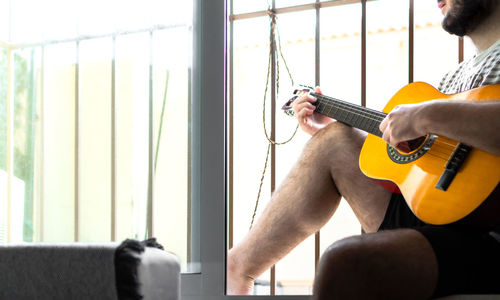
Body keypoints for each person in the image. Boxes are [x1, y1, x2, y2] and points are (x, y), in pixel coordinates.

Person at [227, 0, 500, 298]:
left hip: (487, 237)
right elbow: (432, 162)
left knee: (343, 262)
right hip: (442, 215)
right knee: (335, 141)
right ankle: (236, 269)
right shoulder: (453, 78)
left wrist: (424, 115)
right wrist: (334, 130)